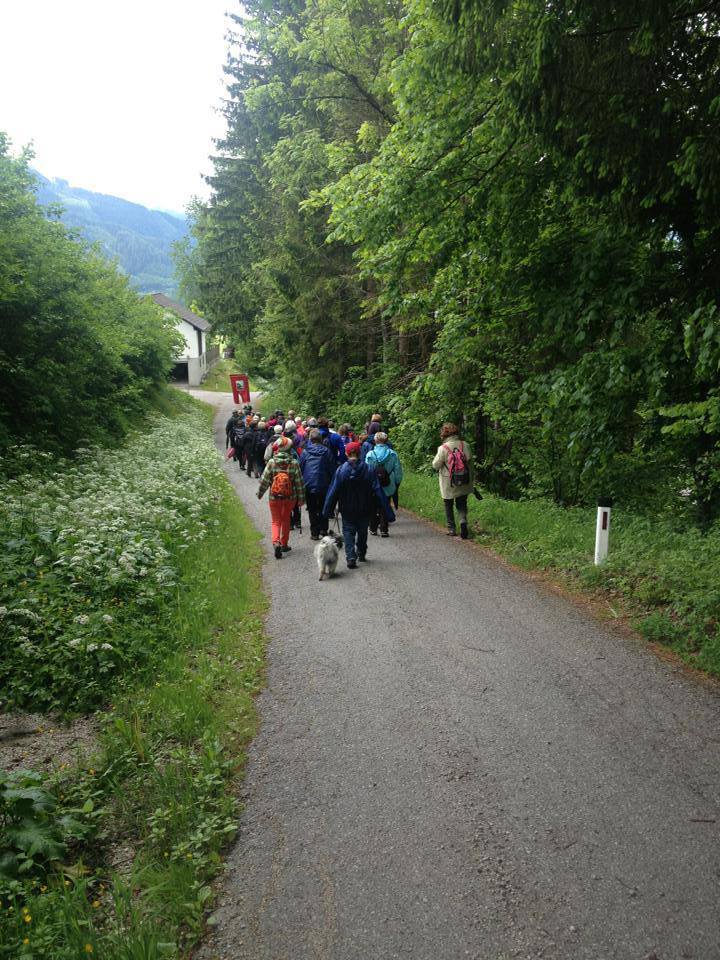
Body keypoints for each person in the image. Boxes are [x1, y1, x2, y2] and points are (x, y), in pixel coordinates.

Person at [322, 441, 394, 569]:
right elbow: (378, 490)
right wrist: (388, 512)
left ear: (346, 453)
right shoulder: (369, 469)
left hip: (347, 509)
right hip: (365, 508)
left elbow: (333, 491)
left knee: (348, 532)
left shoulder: (341, 470)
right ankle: (361, 552)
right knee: (362, 531)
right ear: (360, 453)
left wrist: (327, 510)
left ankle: (350, 557)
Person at [257, 436, 305, 558]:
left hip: (274, 497)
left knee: (275, 521)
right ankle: (284, 544)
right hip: (290, 497)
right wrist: (301, 499)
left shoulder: (272, 462)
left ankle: (276, 542)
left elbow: (264, 480)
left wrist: (260, 493)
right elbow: (299, 483)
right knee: (286, 520)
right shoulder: (294, 463)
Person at [432, 422, 474, 539]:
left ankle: (451, 528)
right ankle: (463, 520)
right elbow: (471, 465)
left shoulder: (443, 448)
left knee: (448, 503)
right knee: (461, 502)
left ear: (444, 434)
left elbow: (435, 465)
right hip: (464, 479)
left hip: (448, 482)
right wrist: (471, 479)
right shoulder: (465, 445)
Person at [300, 428, 337, 540]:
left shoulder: (305, 452)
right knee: (323, 507)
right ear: (320, 439)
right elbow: (332, 469)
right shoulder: (327, 452)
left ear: (310, 439)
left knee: (311, 509)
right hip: (324, 485)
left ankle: (314, 533)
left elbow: (300, 468)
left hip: (309, 484)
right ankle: (323, 529)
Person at [365, 432, 403, 537]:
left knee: (373, 506)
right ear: (386, 441)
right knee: (385, 505)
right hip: (388, 484)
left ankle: (373, 528)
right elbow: (398, 471)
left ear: (375, 441)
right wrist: (397, 482)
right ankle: (384, 529)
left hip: (373, 484)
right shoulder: (392, 454)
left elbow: (366, 471)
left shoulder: (370, 454)